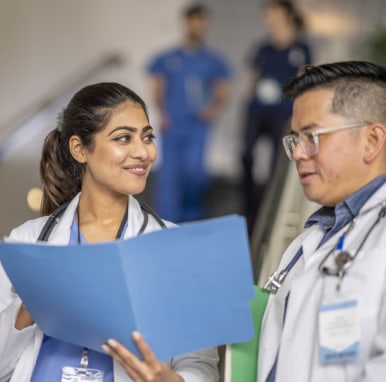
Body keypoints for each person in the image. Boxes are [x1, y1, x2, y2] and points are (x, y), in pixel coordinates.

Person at [0, 82, 219, 381]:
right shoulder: (27, 242)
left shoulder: (177, 249)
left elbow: (202, 367)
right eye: (124, 138)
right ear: (80, 149)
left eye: (147, 137)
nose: (143, 152)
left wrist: (165, 379)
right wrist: (29, 308)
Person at [258, 61, 386, 381]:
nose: (299, 154)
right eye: (294, 140)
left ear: (372, 140)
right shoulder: (309, 241)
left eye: (312, 136)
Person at [146, 3, 232, 223]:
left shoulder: (213, 60)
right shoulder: (168, 58)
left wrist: (213, 109)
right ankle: (164, 222)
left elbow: (222, 90)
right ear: (186, 23)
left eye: (202, 23)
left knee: (195, 173)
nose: (198, 27)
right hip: (173, 123)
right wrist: (161, 112)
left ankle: (191, 220)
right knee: (169, 176)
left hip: (198, 126)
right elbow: (157, 87)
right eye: (194, 22)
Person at [241, 0, 312, 232]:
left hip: (282, 116)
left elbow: (306, 84)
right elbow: (250, 83)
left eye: (273, 12)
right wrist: (242, 117)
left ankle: (267, 212)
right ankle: (248, 209)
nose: (269, 18)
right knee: (246, 155)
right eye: (267, 14)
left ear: (286, 14)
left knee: (275, 165)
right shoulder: (263, 49)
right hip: (257, 113)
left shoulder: (301, 50)